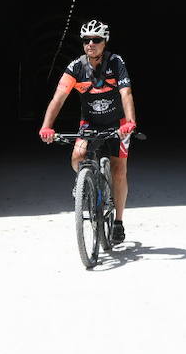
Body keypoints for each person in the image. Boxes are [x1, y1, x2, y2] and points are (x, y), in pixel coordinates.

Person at [38, 19, 137, 245]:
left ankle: (118, 222)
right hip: (90, 123)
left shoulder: (116, 62)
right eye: (86, 40)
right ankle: (85, 184)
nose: (90, 44)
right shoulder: (76, 67)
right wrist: (46, 126)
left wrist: (130, 122)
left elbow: (126, 93)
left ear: (105, 41)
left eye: (96, 40)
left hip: (117, 123)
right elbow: (58, 98)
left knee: (119, 169)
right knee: (77, 157)